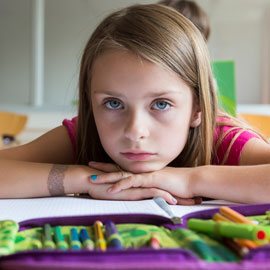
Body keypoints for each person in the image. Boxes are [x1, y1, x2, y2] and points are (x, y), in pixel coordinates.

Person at [0, 4, 270, 205]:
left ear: (197, 108)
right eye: (114, 103)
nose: (134, 131)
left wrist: (190, 180)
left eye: (161, 104)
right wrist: (86, 179)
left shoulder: (223, 141)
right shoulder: (86, 133)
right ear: (90, 102)